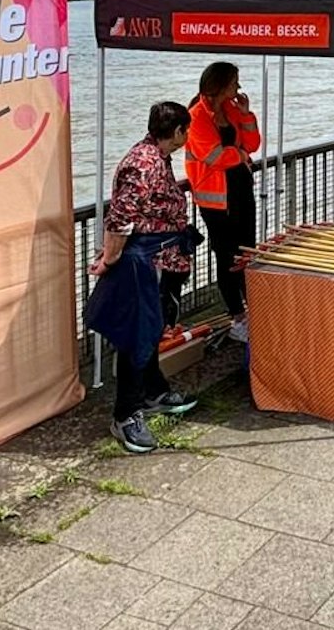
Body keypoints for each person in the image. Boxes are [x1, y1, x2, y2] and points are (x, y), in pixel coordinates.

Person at [89, 101, 202, 453]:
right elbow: (120, 217)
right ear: (180, 131)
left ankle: (153, 391)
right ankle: (126, 414)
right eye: (188, 129)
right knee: (136, 335)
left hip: (162, 256)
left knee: (153, 329)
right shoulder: (142, 163)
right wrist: (110, 258)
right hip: (141, 261)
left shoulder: (158, 157)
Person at [186, 62, 260, 342]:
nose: (238, 88)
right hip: (215, 201)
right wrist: (238, 155)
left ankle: (250, 307)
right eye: (234, 83)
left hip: (240, 190)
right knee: (227, 256)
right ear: (219, 85)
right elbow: (214, 157)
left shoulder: (230, 110)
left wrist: (246, 115)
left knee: (246, 252)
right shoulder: (196, 116)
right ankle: (237, 316)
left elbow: (252, 145)